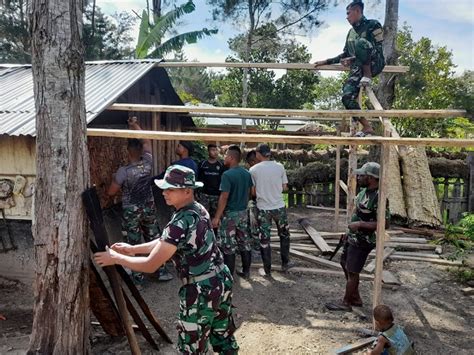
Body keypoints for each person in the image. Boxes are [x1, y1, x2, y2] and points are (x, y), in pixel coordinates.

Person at [95, 165, 239, 354]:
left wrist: (116, 258)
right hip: (221, 279)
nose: (164, 192)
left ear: (187, 191)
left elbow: (151, 264)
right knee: (223, 337)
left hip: (201, 290)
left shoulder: (180, 221)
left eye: (170, 189)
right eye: (164, 187)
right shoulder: (197, 209)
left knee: (192, 348)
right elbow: (167, 242)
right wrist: (133, 250)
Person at [107, 117, 165, 283]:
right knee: (154, 239)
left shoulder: (123, 171)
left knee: (133, 242)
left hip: (132, 211)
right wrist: (135, 125)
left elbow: (111, 192)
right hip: (149, 208)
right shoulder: (147, 162)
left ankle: (138, 278)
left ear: (127, 151)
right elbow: (146, 140)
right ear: (140, 150)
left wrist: (113, 180)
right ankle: (159, 271)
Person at [314, 0, 385, 137]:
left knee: (361, 43)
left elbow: (378, 49)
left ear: (357, 11)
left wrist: (354, 60)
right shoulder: (350, 33)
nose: (347, 17)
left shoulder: (373, 25)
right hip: (358, 67)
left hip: (374, 63)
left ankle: (367, 76)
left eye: (349, 13)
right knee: (346, 97)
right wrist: (327, 61)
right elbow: (346, 54)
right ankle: (367, 127)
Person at [326, 162, 390, 311]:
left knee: (353, 271)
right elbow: (356, 213)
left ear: (372, 178)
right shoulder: (363, 192)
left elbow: (384, 224)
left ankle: (346, 302)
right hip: (353, 236)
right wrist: (348, 232)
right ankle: (355, 297)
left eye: (362, 175)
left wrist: (360, 224)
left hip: (363, 240)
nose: (358, 177)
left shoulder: (380, 197)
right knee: (345, 264)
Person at [212, 145, 253, 279]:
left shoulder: (227, 174)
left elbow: (224, 196)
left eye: (225, 155)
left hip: (230, 215)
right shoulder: (247, 173)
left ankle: (228, 276)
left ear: (231, 158)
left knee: (228, 245)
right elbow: (250, 193)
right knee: (244, 242)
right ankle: (246, 272)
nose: (223, 158)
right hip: (243, 212)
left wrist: (217, 217)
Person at [250, 144, 291, 276]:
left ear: (258, 154)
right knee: (284, 235)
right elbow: (285, 187)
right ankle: (285, 263)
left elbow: (253, 192)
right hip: (279, 206)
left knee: (264, 239)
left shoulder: (253, 170)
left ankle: (267, 269)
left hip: (263, 209)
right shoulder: (279, 167)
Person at [198, 144, 225, 229]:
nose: (215, 152)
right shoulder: (202, 164)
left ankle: (216, 237)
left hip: (216, 195)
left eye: (216, 150)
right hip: (204, 195)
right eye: (212, 150)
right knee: (203, 217)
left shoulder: (221, 165)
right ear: (208, 151)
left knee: (216, 218)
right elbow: (198, 178)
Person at [245, 150, 260, 252]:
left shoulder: (252, 171)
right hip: (267, 202)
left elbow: (252, 192)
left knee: (254, 225)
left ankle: (256, 248)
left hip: (255, 201)